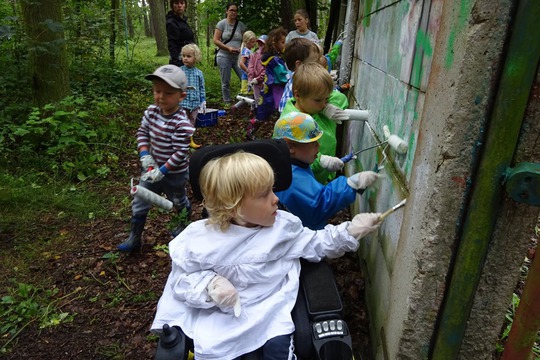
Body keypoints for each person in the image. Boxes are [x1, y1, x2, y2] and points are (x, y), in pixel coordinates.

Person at [151, 151, 381, 359]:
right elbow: (180, 281)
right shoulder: (201, 239)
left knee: (278, 352)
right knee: (216, 351)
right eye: (264, 194)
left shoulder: (282, 229)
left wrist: (350, 231)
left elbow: (316, 243)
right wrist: (209, 285)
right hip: (220, 318)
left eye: (272, 189)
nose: (276, 199)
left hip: (270, 315)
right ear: (234, 207)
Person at [117, 65, 194, 253]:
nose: (160, 97)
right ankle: (135, 237)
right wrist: (145, 155)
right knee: (140, 198)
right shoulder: (151, 112)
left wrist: (163, 171)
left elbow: (179, 152)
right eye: (157, 91)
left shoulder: (181, 123)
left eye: (167, 93)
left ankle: (183, 226)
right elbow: (142, 132)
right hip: (150, 169)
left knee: (177, 200)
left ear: (181, 96)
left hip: (173, 173)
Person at [273, 112, 380, 230]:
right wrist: (350, 185)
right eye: (313, 142)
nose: (318, 146)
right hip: (305, 237)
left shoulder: (288, 165)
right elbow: (319, 204)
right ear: (290, 147)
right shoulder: (292, 178)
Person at [281, 62, 350, 184]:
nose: (323, 104)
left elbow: (341, 98)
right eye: (318, 100)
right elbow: (289, 159)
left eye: (326, 99)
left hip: (325, 174)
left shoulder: (317, 107)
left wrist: (327, 107)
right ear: (297, 95)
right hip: (308, 182)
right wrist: (321, 162)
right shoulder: (292, 122)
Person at [246, 27, 288, 140]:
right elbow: (282, 74)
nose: (285, 45)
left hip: (273, 88)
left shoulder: (275, 57)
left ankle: (281, 133)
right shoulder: (274, 59)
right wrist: (290, 75)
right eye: (283, 42)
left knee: (269, 110)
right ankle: (251, 129)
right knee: (273, 109)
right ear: (274, 43)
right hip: (274, 88)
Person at [213, 2, 247, 106]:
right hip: (224, 56)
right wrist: (228, 48)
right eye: (231, 10)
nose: (233, 12)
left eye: (235, 10)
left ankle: (245, 99)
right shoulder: (221, 24)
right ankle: (227, 102)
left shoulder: (240, 25)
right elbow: (215, 40)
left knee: (244, 77)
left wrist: (241, 49)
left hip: (238, 57)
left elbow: (245, 40)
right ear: (227, 11)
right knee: (226, 82)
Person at [278, 37, 321, 113]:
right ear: (299, 65)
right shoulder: (300, 83)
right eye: (315, 62)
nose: (319, 65)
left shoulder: (293, 80)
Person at [180, 43, 206, 149]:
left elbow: (202, 88)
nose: (185, 58)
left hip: (195, 102)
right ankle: (181, 140)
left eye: (188, 56)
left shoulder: (199, 73)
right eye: (184, 56)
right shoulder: (180, 71)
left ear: (195, 58)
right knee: (182, 120)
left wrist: (203, 100)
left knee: (192, 121)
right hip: (183, 102)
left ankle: (190, 140)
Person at [166, 0, 195, 67]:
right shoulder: (172, 22)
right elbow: (172, 44)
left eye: (182, 3)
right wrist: (176, 63)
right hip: (180, 61)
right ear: (172, 6)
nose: (179, 6)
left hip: (187, 59)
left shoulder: (183, 21)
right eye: (176, 3)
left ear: (185, 6)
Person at [247, 34, 268, 106]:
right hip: (255, 82)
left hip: (265, 82)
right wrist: (250, 79)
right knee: (257, 99)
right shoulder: (254, 55)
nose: (260, 45)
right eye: (259, 43)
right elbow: (251, 67)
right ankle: (257, 113)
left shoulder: (268, 56)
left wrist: (259, 78)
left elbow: (266, 70)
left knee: (265, 99)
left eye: (262, 43)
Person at [239, 30, 257, 95]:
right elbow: (241, 63)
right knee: (246, 94)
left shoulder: (249, 51)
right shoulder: (246, 51)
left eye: (255, 42)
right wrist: (248, 71)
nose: (254, 43)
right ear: (247, 41)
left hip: (250, 78)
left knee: (251, 94)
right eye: (252, 42)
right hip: (246, 78)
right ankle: (236, 105)